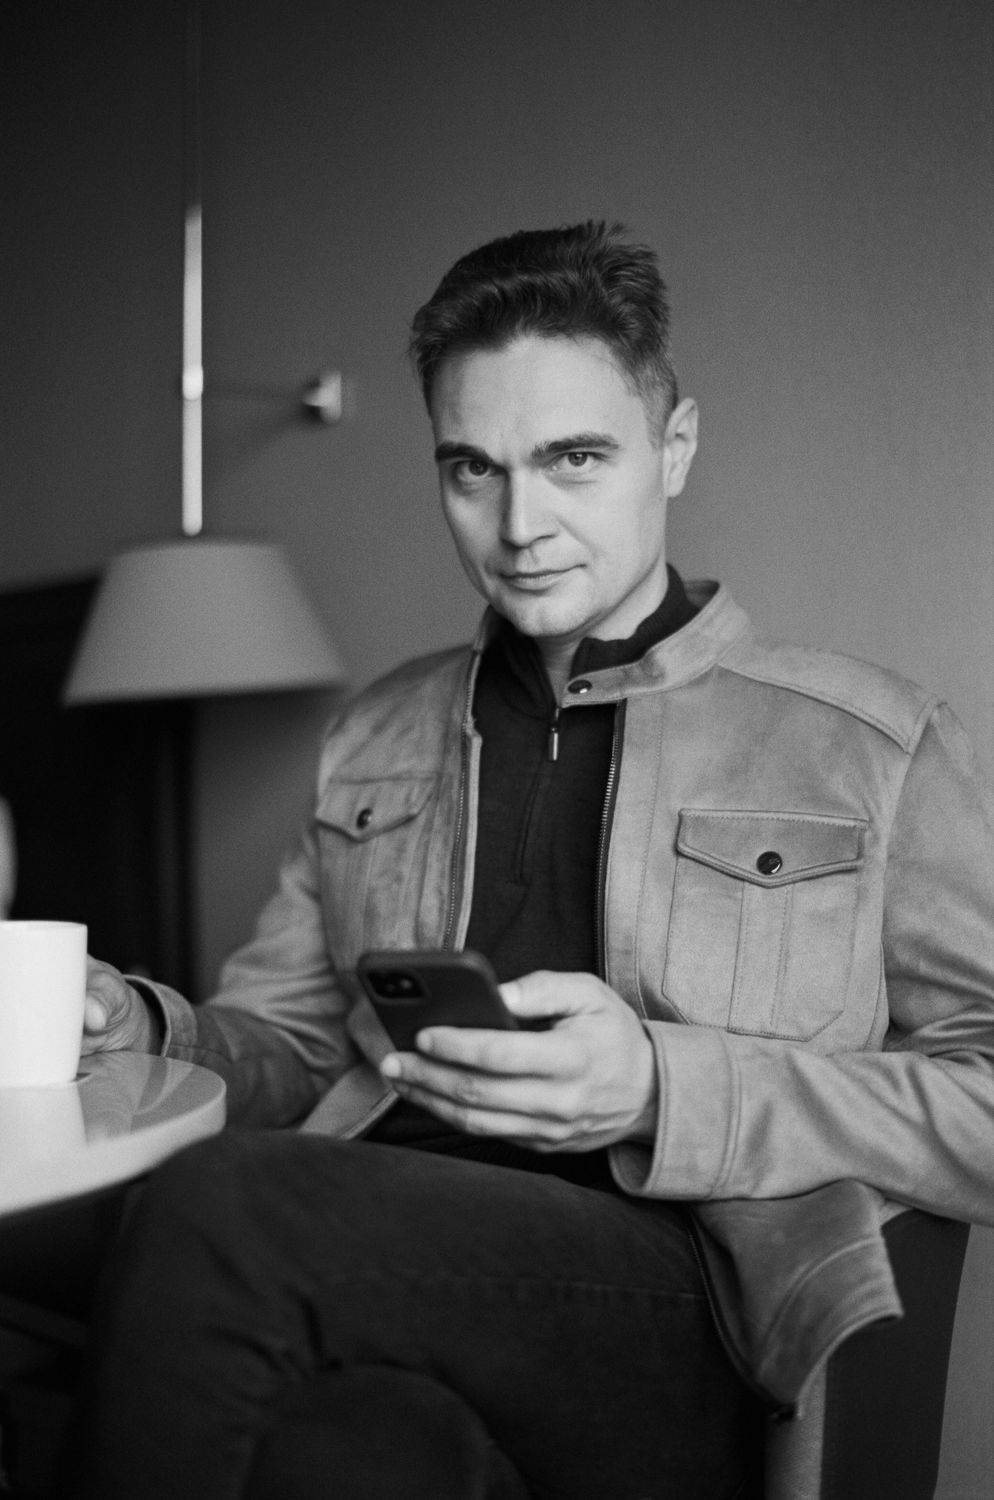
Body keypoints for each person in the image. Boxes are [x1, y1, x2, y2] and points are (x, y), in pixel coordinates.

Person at [72, 222, 994, 1498]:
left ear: (674, 446)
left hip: (691, 1307)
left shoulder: (870, 745)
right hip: (386, 1259)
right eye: (473, 469)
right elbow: (287, 1050)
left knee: (220, 1204)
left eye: (573, 459)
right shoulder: (377, 732)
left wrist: (662, 1089)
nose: (518, 525)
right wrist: (143, 1027)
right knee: (351, 1451)